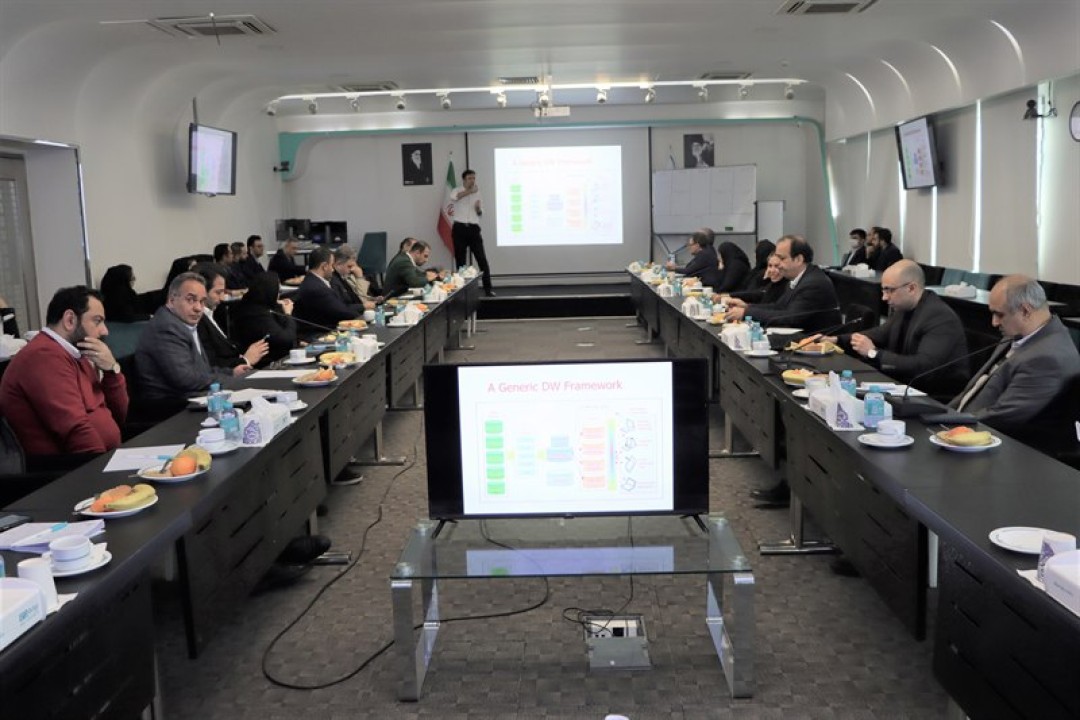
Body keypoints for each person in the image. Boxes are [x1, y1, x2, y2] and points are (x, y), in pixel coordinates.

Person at [0, 286, 127, 470]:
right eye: (97, 321)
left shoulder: (76, 353)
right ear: (69, 320)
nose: (105, 331)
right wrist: (103, 473)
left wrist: (112, 370)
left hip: (101, 460)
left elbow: (119, 415)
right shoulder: (43, 356)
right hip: (67, 471)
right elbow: (75, 431)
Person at [950, 275, 1080, 443]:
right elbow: (972, 391)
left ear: (1025, 311)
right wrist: (942, 412)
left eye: (999, 314)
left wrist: (949, 422)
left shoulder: (1048, 357)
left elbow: (1002, 417)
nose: (994, 322)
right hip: (965, 426)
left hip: (997, 442)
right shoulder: (1018, 334)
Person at [823, 260, 969, 398]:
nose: (884, 298)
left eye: (889, 290)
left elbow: (923, 367)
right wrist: (836, 340)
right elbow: (880, 334)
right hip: (905, 386)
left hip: (934, 396)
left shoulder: (939, 316)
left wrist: (873, 353)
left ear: (911, 288)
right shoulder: (904, 308)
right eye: (883, 290)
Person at [135, 272, 251, 406]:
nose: (198, 308)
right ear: (172, 300)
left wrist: (231, 372)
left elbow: (202, 371)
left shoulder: (182, 323)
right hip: (171, 407)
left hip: (190, 397)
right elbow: (186, 379)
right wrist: (231, 380)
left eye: (202, 301)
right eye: (190, 300)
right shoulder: (166, 328)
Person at [723, 235, 841, 331]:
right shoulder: (797, 278)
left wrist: (746, 313)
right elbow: (779, 307)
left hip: (816, 344)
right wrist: (747, 307)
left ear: (798, 259)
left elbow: (790, 317)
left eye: (782, 258)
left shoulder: (813, 284)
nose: (778, 264)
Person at [191, 263, 268, 372]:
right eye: (218, 292)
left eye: (223, 292)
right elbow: (211, 363)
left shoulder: (214, 313)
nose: (222, 298)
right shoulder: (197, 321)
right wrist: (246, 360)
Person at [229, 272, 296, 366]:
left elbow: (283, 331)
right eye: (278, 292)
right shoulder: (255, 313)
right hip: (265, 364)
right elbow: (285, 340)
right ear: (270, 291)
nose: (278, 296)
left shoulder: (259, 305)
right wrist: (288, 314)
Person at [292, 246, 364, 332]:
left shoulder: (313, 281)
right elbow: (343, 312)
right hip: (321, 333)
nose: (333, 269)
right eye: (331, 265)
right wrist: (365, 317)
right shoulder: (317, 288)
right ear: (324, 266)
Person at [450, 169, 494, 296]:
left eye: (474, 178)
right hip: (460, 228)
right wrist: (470, 192)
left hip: (473, 229)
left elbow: (481, 213)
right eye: (470, 178)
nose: (472, 180)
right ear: (464, 179)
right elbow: (454, 197)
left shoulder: (478, 193)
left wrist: (478, 209)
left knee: (482, 259)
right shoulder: (457, 190)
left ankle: (488, 289)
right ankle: (462, 292)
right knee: (461, 261)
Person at [331, 246, 376, 311]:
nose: (352, 269)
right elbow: (360, 300)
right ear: (338, 264)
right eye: (349, 266)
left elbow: (358, 297)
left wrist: (373, 299)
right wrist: (359, 277)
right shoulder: (334, 281)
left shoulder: (344, 276)